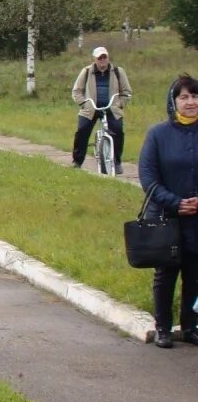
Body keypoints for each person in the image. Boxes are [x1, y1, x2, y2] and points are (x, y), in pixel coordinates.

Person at [138, 74, 198, 349]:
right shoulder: (158, 134)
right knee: (166, 274)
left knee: (194, 274)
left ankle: (190, 326)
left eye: (195, 96)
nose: (190, 102)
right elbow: (148, 177)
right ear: (173, 102)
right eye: (184, 97)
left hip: (197, 218)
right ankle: (162, 327)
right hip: (167, 218)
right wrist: (175, 202)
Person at [71, 46, 132, 172]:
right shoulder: (87, 71)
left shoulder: (117, 71)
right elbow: (77, 91)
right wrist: (84, 103)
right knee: (82, 131)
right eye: (100, 58)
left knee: (118, 132)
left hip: (111, 108)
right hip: (91, 109)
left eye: (104, 57)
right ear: (95, 59)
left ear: (108, 58)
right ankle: (77, 161)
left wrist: (120, 104)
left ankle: (117, 161)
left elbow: (127, 91)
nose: (102, 60)